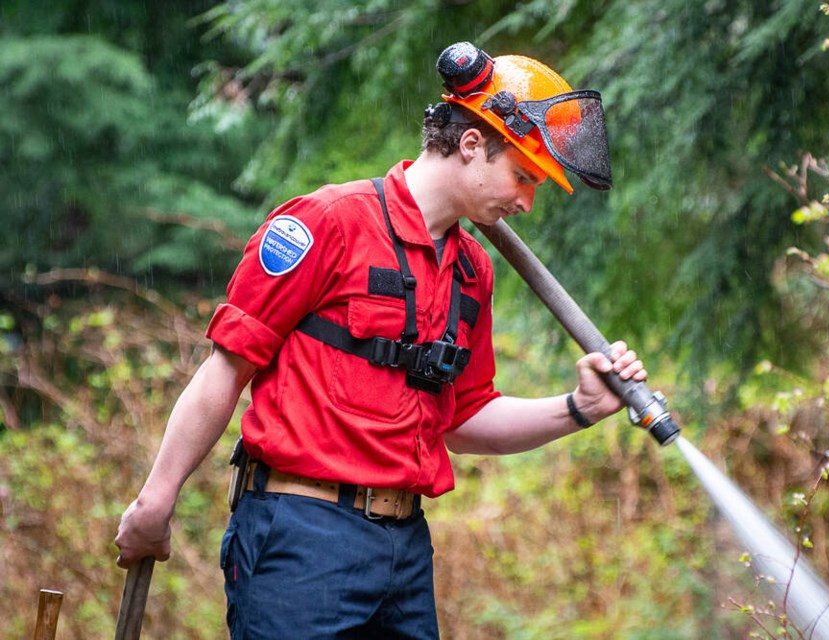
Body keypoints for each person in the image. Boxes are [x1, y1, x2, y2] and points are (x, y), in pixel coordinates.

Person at [114, 41, 646, 639]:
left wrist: (578, 409)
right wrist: (156, 501)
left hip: (405, 550)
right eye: (523, 176)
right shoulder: (325, 223)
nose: (525, 200)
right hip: (300, 538)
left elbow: (465, 419)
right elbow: (225, 370)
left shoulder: (473, 270)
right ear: (472, 144)